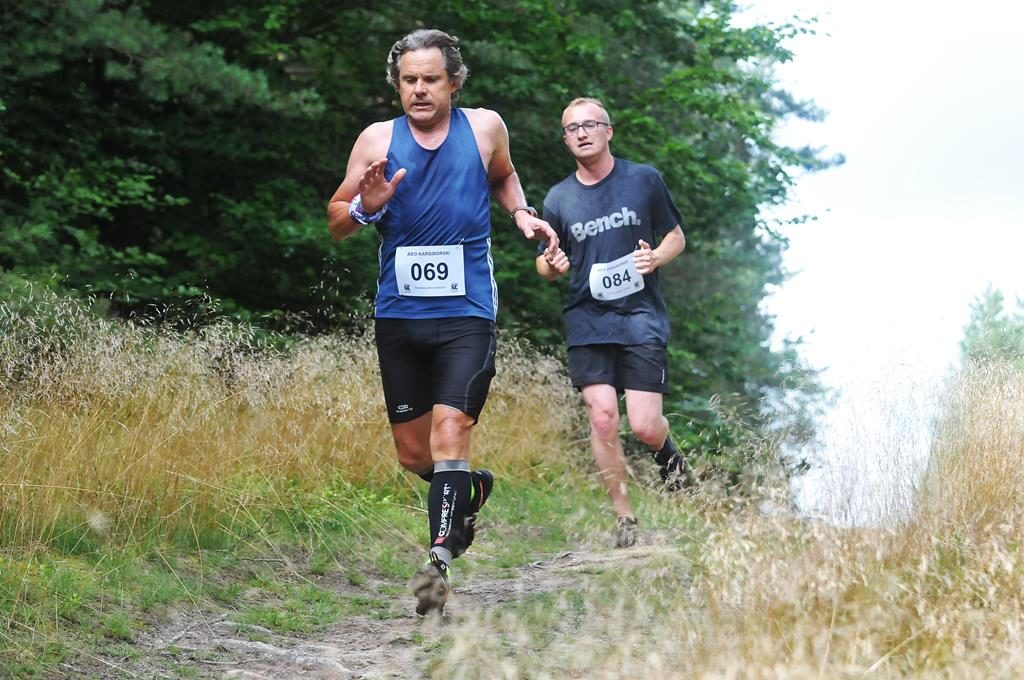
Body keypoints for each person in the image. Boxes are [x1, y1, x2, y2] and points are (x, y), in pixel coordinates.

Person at [327, 29, 558, 616]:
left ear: (453, 82)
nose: (419, 90)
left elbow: (503, 175)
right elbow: (336, 220)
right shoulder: (377, 140)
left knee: (450, 432)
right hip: (399, 315)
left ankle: (438, 562)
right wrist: (365, 208)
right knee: (413, 455)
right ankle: (470, 489)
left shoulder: (484, 128)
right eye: (409, 80)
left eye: (431, 79)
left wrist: (522, 214)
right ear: (397, 85)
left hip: (467, 314)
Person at [536, 97, 692, 549]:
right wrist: (551, 265)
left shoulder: (643, 179)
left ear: (608, 131)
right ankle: (624, 517)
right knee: (603, 418)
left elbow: (676, 236)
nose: (582, 133)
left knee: (644, 425)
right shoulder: (558, 198)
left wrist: (655, 257)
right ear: (565, 140)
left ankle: (670, 458)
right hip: (587, 318)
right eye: (572, 128)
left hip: (640, 315)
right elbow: (544, 264)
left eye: (590, 125)